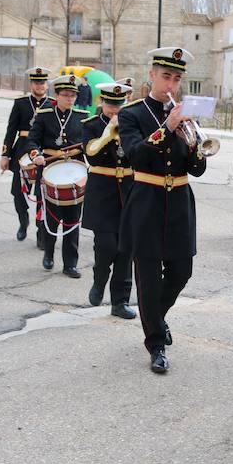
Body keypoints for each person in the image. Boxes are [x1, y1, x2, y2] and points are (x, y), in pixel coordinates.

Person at [117, 47, 207, 374]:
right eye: (166, 76)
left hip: (180, 202)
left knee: (182, 271)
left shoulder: (186, 116)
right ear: (152, 74)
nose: (171, 83)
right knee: (150, 280)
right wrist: (167, 127)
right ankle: (155, 343)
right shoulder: (131, 114)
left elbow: (197, 170)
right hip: (147, 202)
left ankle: (156, 317)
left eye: (177, 78)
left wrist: (195, 144)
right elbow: (136, 157)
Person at [82, 82, 136, 320]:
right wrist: (108, 132)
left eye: (119, 104)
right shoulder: (91, 125)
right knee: (106, 246)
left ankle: (120, 300)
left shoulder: (133, 125)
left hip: (129, 191)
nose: (115, 109)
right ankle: (99, 279)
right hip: (102, 192)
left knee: (126, 250)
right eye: (111, 104)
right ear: (102, 103)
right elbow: (91, 156)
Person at [26, 74, 89, 277]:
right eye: (66, 95)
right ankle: (49, 254)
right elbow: (32, 141)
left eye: (73, 95)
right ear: (57, 95)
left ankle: (70, 264)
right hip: (49, 170)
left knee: (72, 220)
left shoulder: (81, 116)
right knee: (51, 219)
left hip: (73, 174)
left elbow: (88, 147)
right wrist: (36, 155)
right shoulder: (44, 115)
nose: (70, 99)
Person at [1, 67, 54, 244]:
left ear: (47, 85)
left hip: (43, 152)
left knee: (42, 195)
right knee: (18, 192)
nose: (40, 86)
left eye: (43, 83)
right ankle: (23, 222)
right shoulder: (21, 103)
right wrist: (5, 155)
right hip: (21, 150)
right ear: (31, 84)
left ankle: (41, 231)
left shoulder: (52, 104)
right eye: (36, 83)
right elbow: (10, 131)